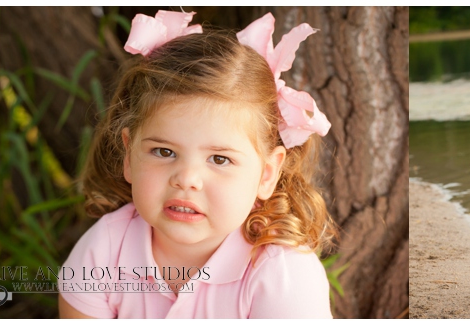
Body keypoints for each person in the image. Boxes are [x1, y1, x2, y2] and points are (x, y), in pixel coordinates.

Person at [58, 10, 337, 318]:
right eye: (163, 152)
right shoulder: (106, 250)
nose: (186, 179)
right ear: (129, 155)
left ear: (266, 174)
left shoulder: (282, 274)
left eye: (220, 159)